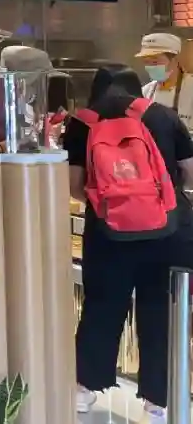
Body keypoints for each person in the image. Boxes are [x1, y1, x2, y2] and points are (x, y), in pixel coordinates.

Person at [66, 65, 193, 422]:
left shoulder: (82, 122)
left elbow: (74, 185)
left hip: (109, 234)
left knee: (102, 306)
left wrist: (112, 203)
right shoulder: (164, 116)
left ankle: (85, 390)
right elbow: (190, 173)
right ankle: (158, 401)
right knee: (160, 309)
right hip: (169, 231)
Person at [137, 32, 193, 130]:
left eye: (155, 61)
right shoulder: (145, 92)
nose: (151, 67)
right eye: (146, 62)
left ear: (175, 60)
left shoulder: (190, 89)